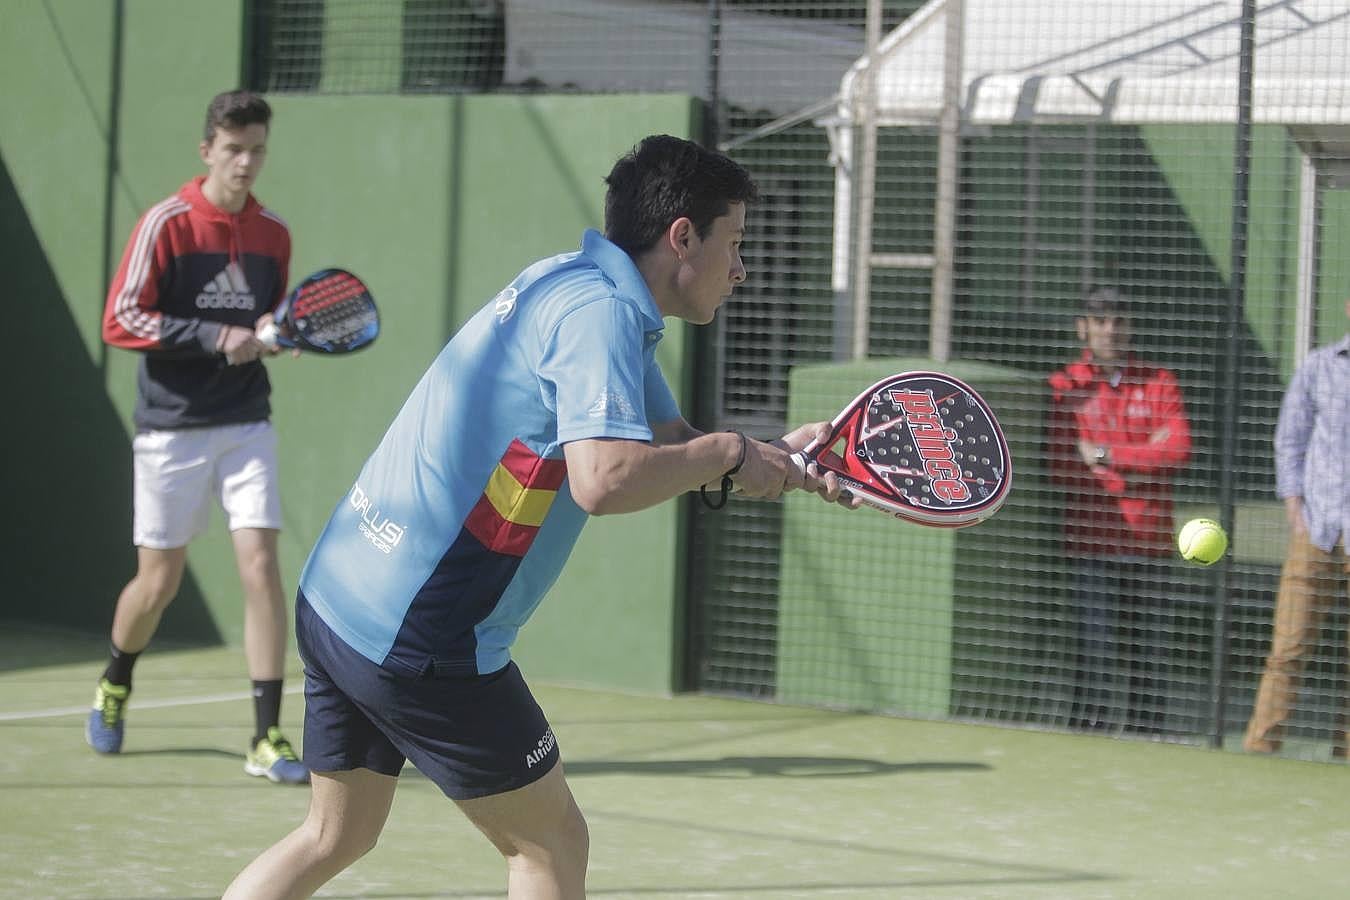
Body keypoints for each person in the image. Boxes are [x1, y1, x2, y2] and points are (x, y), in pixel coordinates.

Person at [222, 134, 854, 899]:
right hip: (421, 631)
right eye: (737, 242)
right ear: (682, 236)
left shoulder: (573, 281)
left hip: (340, 593)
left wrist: (778, 459)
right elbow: (608, 479)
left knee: (334, 833)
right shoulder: (603, 317)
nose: (743, 268)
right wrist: (728, 452)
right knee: (550, 845)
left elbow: (667, 442)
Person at [89, 90, 308, 785]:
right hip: (172, 429)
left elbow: (271, 315)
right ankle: (116, 680)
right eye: (235, 149)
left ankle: (266, 736)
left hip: (246, 423)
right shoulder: (168, 224)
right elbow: (121, 319)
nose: (246, 163)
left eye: (258, 151)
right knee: (158, 583)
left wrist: (274, 337)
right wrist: (215, 335)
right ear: (207, 148)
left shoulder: (274, 233)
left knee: (261, 566)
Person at [1046, 288, 1192, 734]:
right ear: (1083, 327)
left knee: (1149, 657)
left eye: (1119, 320)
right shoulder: (1063, 387)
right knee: (1095, 652)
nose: (1111, 328)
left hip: (1149, 544)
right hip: (1091, 545)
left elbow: (1179, 449)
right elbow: (1061, 465)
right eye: (1101, 319)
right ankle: (1087, 737)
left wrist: (1106, 456)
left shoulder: (1159, 380)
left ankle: (1149, 738)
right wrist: (1145, 453)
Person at [1243, 298, 1350, 760]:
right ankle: (1260, 750)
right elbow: (1290, 439)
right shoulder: (1319, 367)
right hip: (1316, 530)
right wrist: (1294, 511)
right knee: (1286, 650)